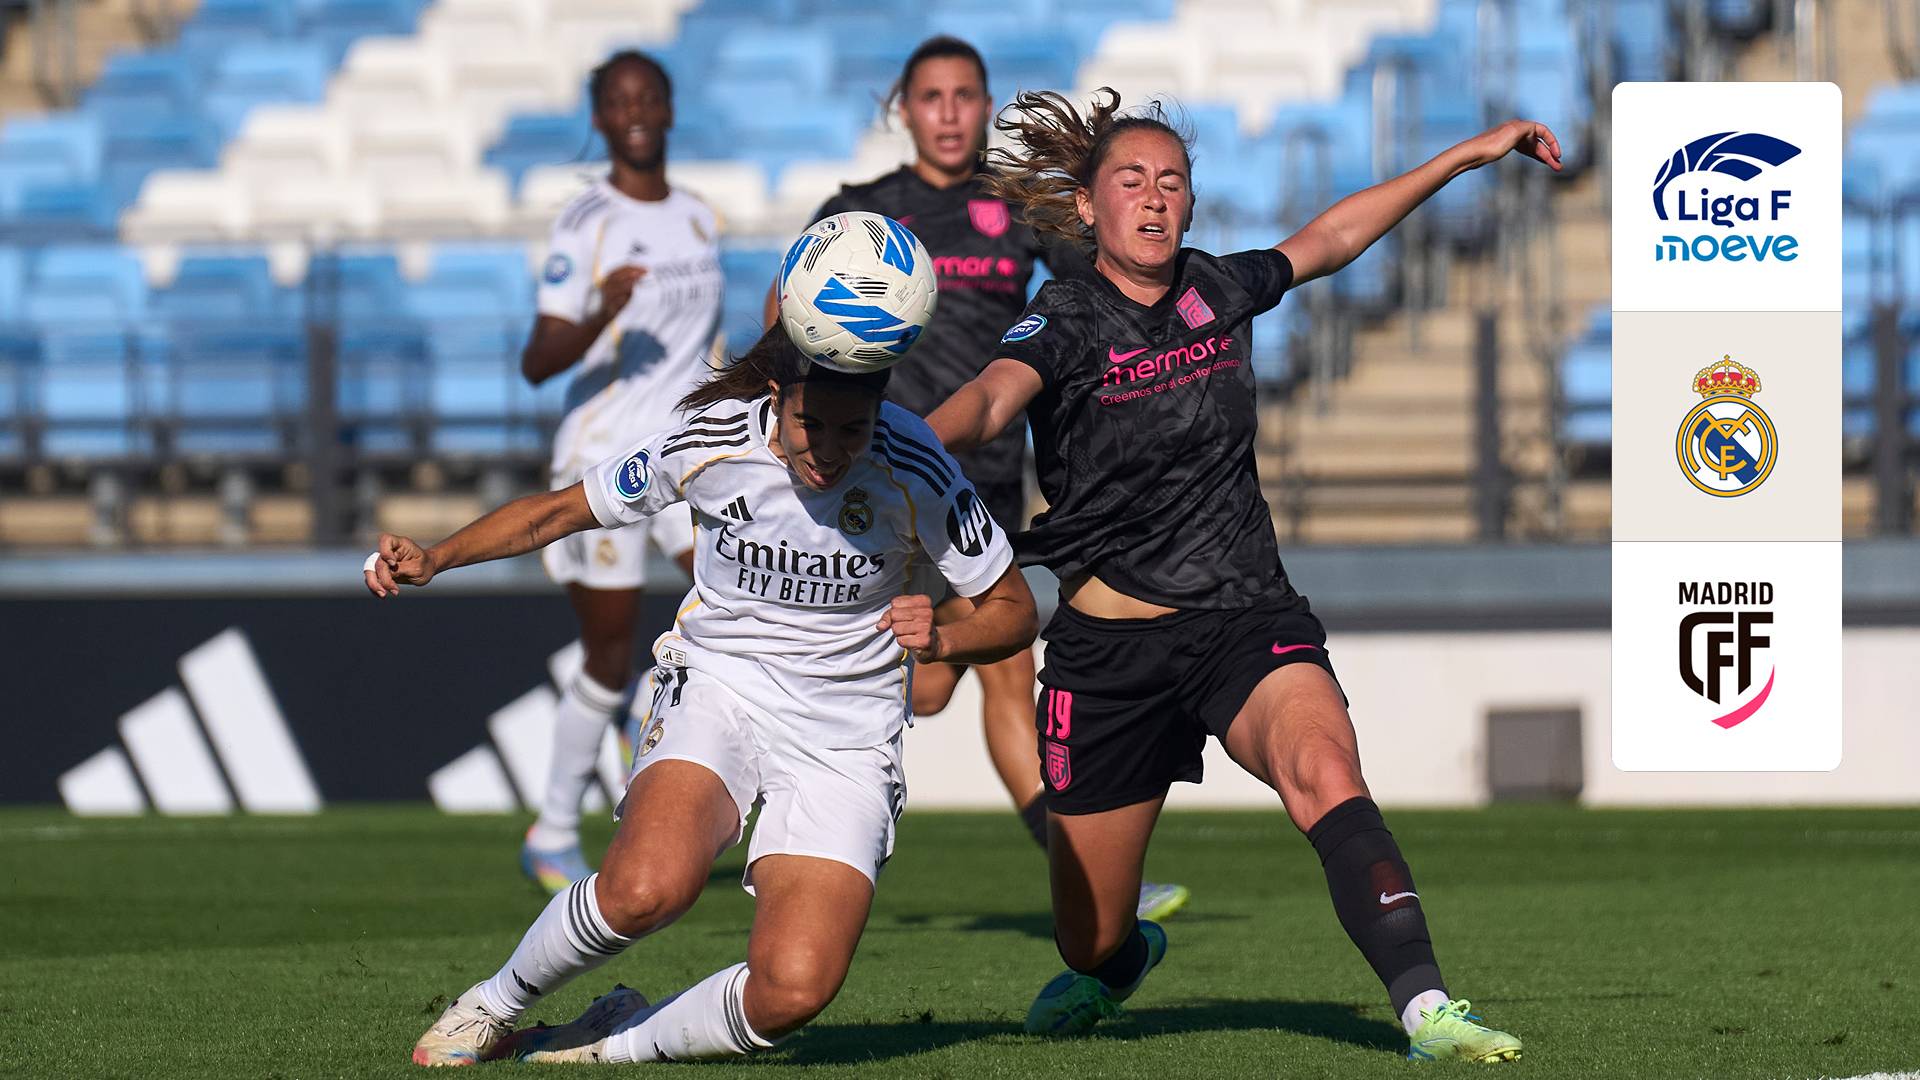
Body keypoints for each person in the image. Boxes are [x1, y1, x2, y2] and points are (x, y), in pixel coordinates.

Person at [927, 88, 1560, 1062]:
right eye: (1130, 181)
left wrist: (1466, 154)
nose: (1154, 197)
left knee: (1325, 773)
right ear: (1088, 206)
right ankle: (1120, 962)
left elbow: (1334, 236)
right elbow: (989, 401)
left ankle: (1427, 1008)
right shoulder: (1063, 317)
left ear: (1190, 202)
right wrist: (908, 442)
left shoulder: (1217, 288)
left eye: (1171, 181)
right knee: (1088, 939)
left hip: (1244, 617)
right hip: (1108, 660)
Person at [373, 326, 1038, 1066]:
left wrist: (945, 639)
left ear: (880, 413)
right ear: (776, 396)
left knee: (793, 990)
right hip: (720, 685)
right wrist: (437, 556)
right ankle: (491, 1007)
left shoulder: (918, 465)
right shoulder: (711, 440)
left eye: (853, 430)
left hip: (846, 732)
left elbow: (1015, 611)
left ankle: (609, 1044)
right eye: (810, 425)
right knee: (644, 890)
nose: (828, 450)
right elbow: (558, 512)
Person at [765, 36, 1187, 922]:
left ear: (985, 107)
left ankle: (1092, 882)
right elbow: (787, 305)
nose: (950, 113)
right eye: (933, 97)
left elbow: (1100, 291)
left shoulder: (1014, 207)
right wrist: (782, 397)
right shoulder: (865, 212)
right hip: (885, 477)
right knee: (942, 674)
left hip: (986, 479)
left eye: (965, 96)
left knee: (992, 668)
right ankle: (757, 743)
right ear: (904, 110)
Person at [517, 49, 724, 892]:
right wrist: (601, 311)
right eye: (619, 102)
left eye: (648, 98)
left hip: (683, 457)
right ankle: (552, 831)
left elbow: (701, 346)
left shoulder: (700, 216)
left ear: (669, 109)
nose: (635, 113)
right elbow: (537, 360)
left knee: (731, 597)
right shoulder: (586, 222)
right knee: (607, 653)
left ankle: (662, 738)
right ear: (600, 120)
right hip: (602, 458)